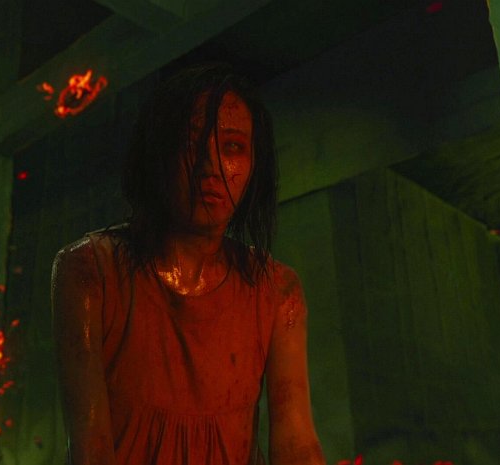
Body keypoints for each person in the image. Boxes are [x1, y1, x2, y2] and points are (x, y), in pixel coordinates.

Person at [51, 63, 324, 465]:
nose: (211, 167)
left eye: (233, 147)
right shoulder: (90, 270)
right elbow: (90, 450)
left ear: (253, 165)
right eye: (192, 143)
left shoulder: (276, 290)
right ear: (159, 152)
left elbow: (296, 444)